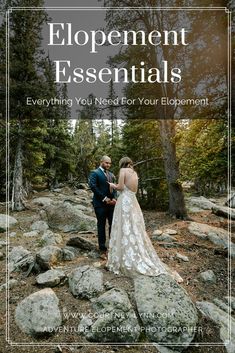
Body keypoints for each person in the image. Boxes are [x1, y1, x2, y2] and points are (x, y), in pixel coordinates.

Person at [106, 156, 183, 283]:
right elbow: (133, 190)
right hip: (133, 201)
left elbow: (120, 187)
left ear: (122, 164)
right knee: (133, 228)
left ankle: (123, 257)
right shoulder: (134, 173)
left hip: (124, 201)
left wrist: (111, 185)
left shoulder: (123, 171)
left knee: (124, 226)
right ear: (130, 163)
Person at [89, 155, 117, 259]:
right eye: (106, 163)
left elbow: (113, 188)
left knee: (112, 225)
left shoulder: (111, 174)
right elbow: (93, 186)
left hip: (111, 205)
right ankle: (102, 248)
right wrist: (105, 198)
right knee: (101, 225)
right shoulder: (95, 173)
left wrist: (113, 198)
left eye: (109, 163)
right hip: (100, 204)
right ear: (101, 162)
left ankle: (112, 245)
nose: (108, 165)